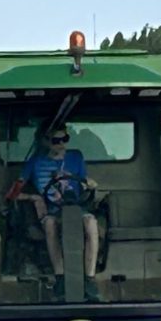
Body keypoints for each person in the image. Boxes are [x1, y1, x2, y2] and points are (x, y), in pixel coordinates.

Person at [21, 125, 101, 300]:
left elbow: (84, 180)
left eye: (65, 139)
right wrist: (34, 197)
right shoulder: (35, 162)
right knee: (50, 224)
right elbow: (14, 192)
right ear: (45, 141)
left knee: (91, 223)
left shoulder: (76, 157)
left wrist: (89, 183)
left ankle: (90, 278)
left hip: (76, 207)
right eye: (56, 141)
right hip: (52, 210)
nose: (61, 144)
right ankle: (61, 277)